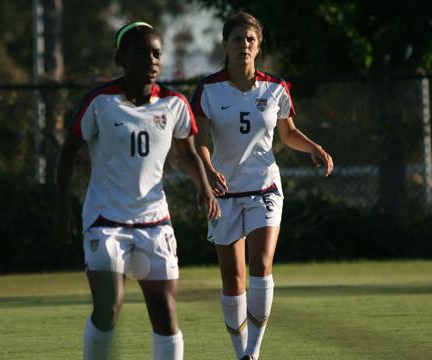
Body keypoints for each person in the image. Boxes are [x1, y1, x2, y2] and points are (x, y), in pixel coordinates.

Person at [54, 21, 220, 360]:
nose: (152, 60)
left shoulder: (174, 104)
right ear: (121, 58)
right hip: (105, 219)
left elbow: (187, 153)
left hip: (154, 221)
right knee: (108, 308)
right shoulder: (100, 102)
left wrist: (204, 186)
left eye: (157, 53)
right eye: (142, 52)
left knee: (165, 315)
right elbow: (68, 151)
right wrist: (62, 206)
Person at [191, 12, 334, 360]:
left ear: (259, 46)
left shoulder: (275, 88)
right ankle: (240, 352)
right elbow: (201, 139)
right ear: (226, 44)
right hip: (224, 192)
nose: (244, 45)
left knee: (262, 263)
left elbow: (287, 133)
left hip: (264, 187)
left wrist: (314, 147)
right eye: (238, 39)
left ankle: (253, 353)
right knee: (232, 279)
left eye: (250, 40)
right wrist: (207, 170)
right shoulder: (208, 89)